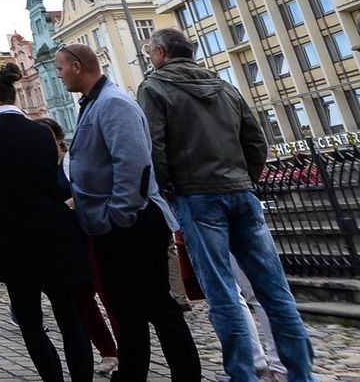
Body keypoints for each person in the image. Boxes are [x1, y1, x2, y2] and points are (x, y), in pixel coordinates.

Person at [136, 28, 315, 382]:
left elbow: (153, 148)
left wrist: (169, 188)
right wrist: (244, 178)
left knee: (222, 294)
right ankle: (302, 374)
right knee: (275, 290)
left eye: (150, 53)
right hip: (241, 192)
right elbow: (256, 140)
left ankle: (243, 373)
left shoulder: (154, 87)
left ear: (160, 52)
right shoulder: (225, 86)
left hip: (197, 196)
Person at [55, 42, 200, 382]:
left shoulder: (113, 103)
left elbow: (133, 165)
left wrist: (117, 216)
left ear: (77, 66)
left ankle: (187, 374)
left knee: (157, 306)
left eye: (61, 67)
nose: (58, 74)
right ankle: (132, 373)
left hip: (132, 222)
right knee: (126, 309)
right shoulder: (95, 103)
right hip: (114, 224)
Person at [0, 63, 93, 382]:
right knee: (70, 319)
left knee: (30, 321)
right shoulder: (40, 131)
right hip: (56, 231)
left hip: (15, 238)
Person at [38, 116, 120, 377]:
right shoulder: (43, 168)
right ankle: (107, 350)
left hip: (92, 233)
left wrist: (76, 201)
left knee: (106, 292)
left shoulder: (74, 161)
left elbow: (95, 187)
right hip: (66, 241)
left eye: (46, 138)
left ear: (59, 138)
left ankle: (127, 350)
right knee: (82, 299)